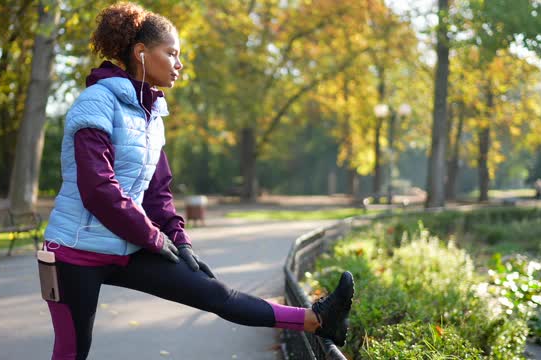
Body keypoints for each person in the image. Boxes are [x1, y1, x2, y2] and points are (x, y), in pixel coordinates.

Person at [42, 3, 354, 359]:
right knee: (72, 352)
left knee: (213, 293)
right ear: (141, 53)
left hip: (127, 244)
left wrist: (179, 240)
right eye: (171, 53)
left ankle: (318, 319)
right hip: (74, 250)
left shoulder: (151, 115)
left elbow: (157, 193)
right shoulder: (95, 102)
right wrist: (153, 237)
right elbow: (98, 189)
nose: (179, 64)